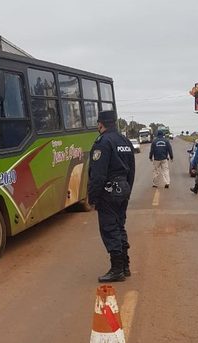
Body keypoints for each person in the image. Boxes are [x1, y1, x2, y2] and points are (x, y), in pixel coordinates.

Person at [88, 110, 136, 282]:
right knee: (119, 226)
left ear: (101, 123)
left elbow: (98, 175)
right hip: (123, 189)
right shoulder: (125, 141)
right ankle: (125, 265)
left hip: (108, 192)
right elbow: (132, 169)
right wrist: (128, 190)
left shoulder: (103, 142)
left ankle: (117, 269)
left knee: (109, 228)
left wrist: (92, 198)